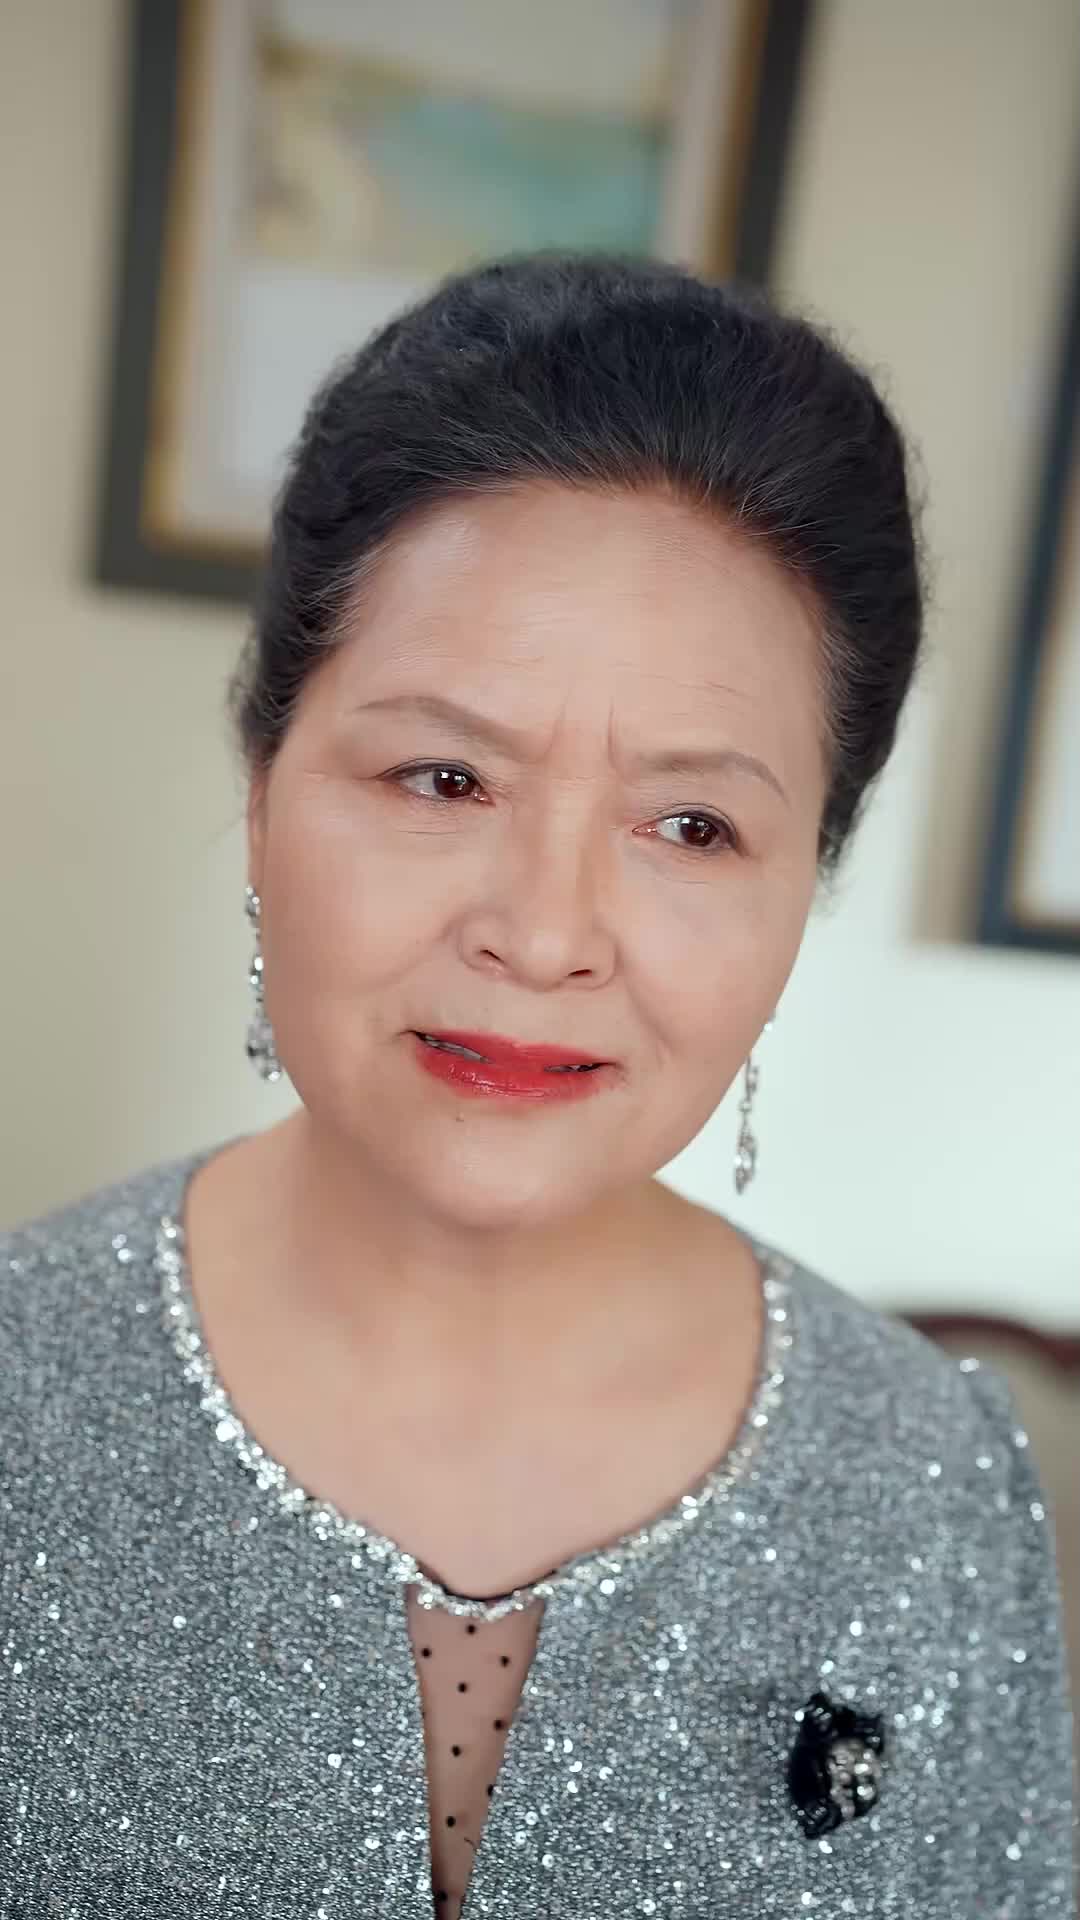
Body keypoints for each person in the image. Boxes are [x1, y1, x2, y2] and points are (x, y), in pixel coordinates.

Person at [1, 252, 1074, 1918]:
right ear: (264, 784)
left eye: (692, 824)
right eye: (445, 777)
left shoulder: (933, 1484)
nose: (547, 932)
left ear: (805, 883)